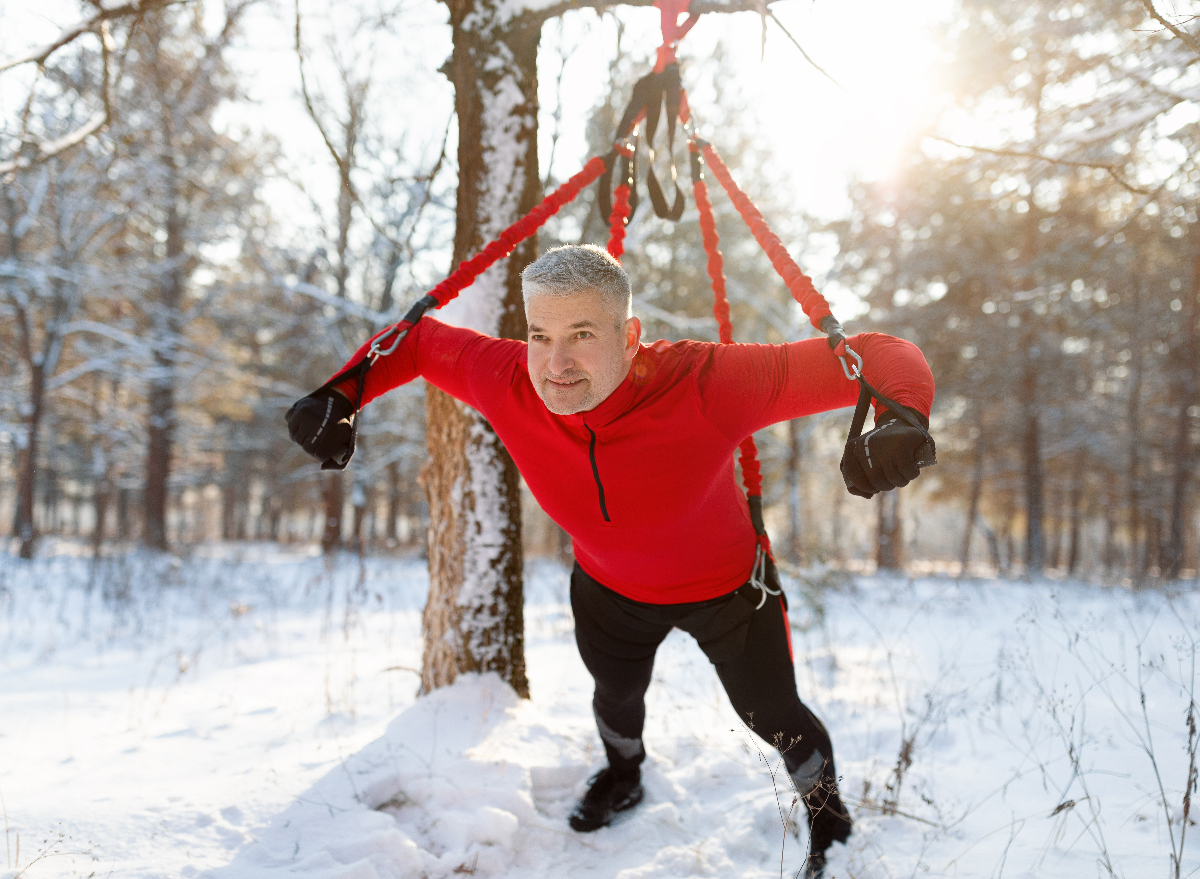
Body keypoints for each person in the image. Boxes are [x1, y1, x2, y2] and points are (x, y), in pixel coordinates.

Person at [286, 244, 935, 877]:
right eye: (540, 334)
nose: (556, 363)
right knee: (616, 698)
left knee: (773, 714)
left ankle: (830, 821)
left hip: (730, 589)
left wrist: (903, 412)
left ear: (631, 335)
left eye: (582, 333)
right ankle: (624, 775)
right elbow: (421, 342)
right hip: (610, 591)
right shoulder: (510, 380)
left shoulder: (707, 382)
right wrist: (341, 393)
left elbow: (881, 354)